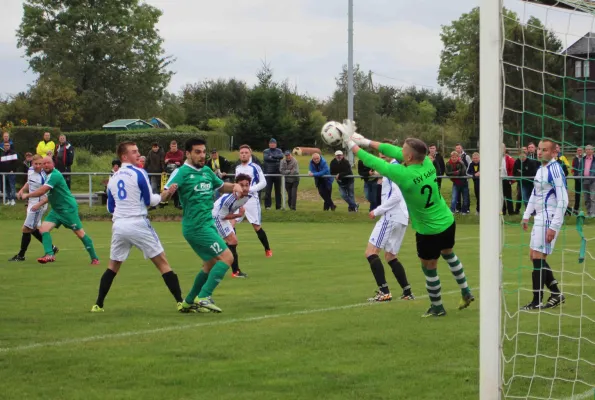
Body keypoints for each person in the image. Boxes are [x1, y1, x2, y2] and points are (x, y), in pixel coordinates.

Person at [341, 121, 474, 317]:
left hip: (428, 229)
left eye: (403, 150)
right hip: (447, 220)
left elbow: (372, 161)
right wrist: (365, 140)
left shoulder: (403, 174)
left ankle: (437, 307)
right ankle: (465, 290)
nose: (399, 151)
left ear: (409, 156)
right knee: (449, 254)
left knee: (429, 266)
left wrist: (349, 143)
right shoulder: (427, 162)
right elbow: (391, 150)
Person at [90, 141, 187, 313]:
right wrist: (165, 195)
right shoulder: (139, 172)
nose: (138, 154)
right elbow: (150, 201)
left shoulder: (113, 178)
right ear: (124, 156)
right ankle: (181, 301)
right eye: (134, 152)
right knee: (162, 263)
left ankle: (98, 304)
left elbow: (110, 208)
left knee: (113, 266)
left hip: (119, 225)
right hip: (137, 222)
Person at [163, 138, 245, 313]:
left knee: (209, 264)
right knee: (227, 258)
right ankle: (204, 296)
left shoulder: (207, 171)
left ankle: (188, 302)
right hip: (196, 226)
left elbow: (222, 187)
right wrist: (168, 193)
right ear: (188, 153)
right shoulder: (181, 172)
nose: (202, 155)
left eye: (203, 152)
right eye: (197, 152)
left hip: (207, 224)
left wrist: (236, 185)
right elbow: (163, 196)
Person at [18, 156, 99, 265]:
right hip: (56, 210)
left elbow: (42, 191)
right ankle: (49, 254)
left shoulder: (54, 175)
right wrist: (38, 203)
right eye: (44, 163)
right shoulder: (46, 175)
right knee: (43, 229)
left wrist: (27, 195)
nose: (46, 165)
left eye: (48, 163)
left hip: (67, 209)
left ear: (53, 164)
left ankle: (94, 258)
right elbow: (49, 195)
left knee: (80, 233)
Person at [521, 139, 567, 310]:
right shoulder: (541, 169)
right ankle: (555, 293)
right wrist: (526, 215)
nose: (540, 152)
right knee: (533, 256)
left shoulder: (555, 170)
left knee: (539, 257)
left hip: (549, 217)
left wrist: (553, 226)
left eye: (544, 150)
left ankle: (536, 301)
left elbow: (563, 200)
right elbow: (534, 193)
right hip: (539, 216)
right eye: (539, 149)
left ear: (554, 152)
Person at [365, 143, 414, 302]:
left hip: (391, 216)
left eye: (383, 153)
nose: (381, 155)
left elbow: (396, 196)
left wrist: (377, 210)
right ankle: (407, 292)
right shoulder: (393, 169)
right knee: (390, 256)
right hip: (400, 217)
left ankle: (384, 292)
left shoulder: (393, 170)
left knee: (371, 252)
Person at [8, 155, 59, 261]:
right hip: (32, 203)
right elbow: (29, 182)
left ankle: (21, 255)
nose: (38, 166)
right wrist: (22, 190)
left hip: (38, 205)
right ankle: (52, 248)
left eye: (40, 164)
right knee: (33, 228)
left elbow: (48, 195)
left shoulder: (45, 176)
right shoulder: (30, 170)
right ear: (32, 163)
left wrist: (38, 205)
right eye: (36, 164)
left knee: (26, 228)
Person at [235, 145, 272, 257]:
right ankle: (231, 250)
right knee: (231, 224)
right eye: (242, 152)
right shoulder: (238, 168)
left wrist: (250, 189)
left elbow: (263, 182)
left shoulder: (255, 167)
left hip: (251, 199)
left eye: (246, 152)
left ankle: (267, 249)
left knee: (256, 226)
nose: (244, 154)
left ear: (250, 154)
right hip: (239, 199)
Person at [212, 174, 252, 278]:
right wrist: (238, 215)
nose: (244, 188)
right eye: (241, 185)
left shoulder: (248, 196)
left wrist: (234, 220)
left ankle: (222, 263)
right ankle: (235, 271)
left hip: (223, 216)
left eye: (247, 185)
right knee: (232, 241)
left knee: (231, 242)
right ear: (235, 186)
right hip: (216, 217)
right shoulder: (229, 199)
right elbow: (223, 216)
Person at [263, 138, 284, 210]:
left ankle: (278, 206)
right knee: (268, 190)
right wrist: (276, 158)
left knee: (278, 191)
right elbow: (266, 158)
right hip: (268, 173)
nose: (272, 144)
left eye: (273, 143)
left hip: (277, 172)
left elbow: (281, 156)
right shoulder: (266, 151)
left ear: (276, 144)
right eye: (271, 143)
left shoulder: (279, 150)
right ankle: (267, 206)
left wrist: (272, 156)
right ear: (269, 144)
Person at [164, 140, 184, 208]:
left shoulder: (180, 152)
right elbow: (165, 160)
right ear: (170, 146)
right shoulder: (168, 153)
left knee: (179, 188)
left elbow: (180, 159)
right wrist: (175, 160)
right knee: (170, 187)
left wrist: (170, 159)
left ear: (177, 146)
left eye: (175, 146)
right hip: (169, 173)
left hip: (178, 172)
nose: (174, 147)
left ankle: (179, 204)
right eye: (172, 146)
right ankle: (167, 202)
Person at [502, 145, 516, 215]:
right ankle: (502, 211)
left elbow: (513, 169)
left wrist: (510, 179)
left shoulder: (509, 158)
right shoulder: (495, 158)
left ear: (505, 149)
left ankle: (511, 212)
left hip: (506, 179)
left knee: (508, 196)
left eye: (502, 148)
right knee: (500, 196)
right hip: (498, 180)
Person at [571, 147, 584, 214]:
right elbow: (572, 168)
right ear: (577, 151)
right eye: (578, 150)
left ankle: (590, 209)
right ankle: (576, 209)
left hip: (585, 179)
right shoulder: (575, 159)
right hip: (577, 178)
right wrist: (573, 173)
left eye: (580, 150)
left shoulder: (585, 158)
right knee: (577, 194)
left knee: (587, 194)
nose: (579, 151)